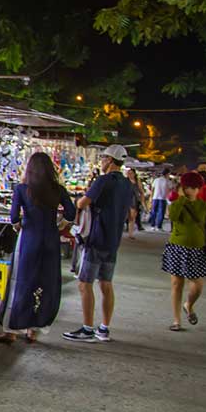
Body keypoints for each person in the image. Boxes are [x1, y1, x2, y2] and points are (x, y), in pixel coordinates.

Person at [0, 152, 76, 344]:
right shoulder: (58, 189)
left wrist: (18, 224)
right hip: (50, 239)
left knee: (21, 282)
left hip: (28, 239)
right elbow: (71, 212)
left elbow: (14, 217)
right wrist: (61, 224)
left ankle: (11, 330)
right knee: (45, 282)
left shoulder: (22, 189)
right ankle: (33, 329)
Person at [62, 145, 137, 343]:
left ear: (110, 160)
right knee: (106, 284)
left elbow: (82, 203)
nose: (101, 162)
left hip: (95, 238)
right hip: (113, 240)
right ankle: (104, 328)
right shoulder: (128, 184)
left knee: (85, 284)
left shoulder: (103, 181)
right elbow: (129, 212)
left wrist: (78, 201)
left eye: (103, 158)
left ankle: (87, 329)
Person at [163, 172, 206, 331]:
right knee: (176, 284)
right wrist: (181, 198)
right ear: (182, 187)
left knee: (197, 285)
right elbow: (172, 217)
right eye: (188, 187)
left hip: (197, 249)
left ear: (199, 188)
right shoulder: (177, 204)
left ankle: (188, 304)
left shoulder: (203, 206)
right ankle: (176, 320)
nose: (191, 191)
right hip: (177, 247)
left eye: (195, 188)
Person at [125, 168, 145, 239]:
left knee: (132, 217)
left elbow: (141, 191)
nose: (129, 174)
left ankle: (131, 233)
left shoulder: (137, 181)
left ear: (134, 174)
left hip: (134, 200)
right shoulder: (125, 181)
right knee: (125, 217)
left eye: (131, 173)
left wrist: (142, 201)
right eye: (128, 173)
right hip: (126, 200)